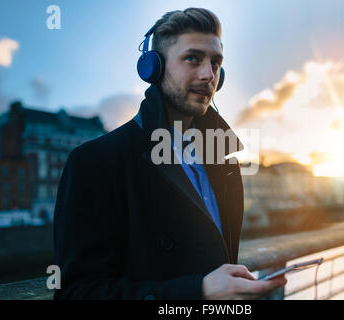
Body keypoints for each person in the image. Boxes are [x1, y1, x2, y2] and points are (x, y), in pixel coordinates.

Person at [53, 7, 286, 300]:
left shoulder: (223, 160)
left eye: (216, 63)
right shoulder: (95, 162)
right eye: (192, 59)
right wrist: (197, 291)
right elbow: (76, 293)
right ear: (154, 68)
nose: (208, 75)